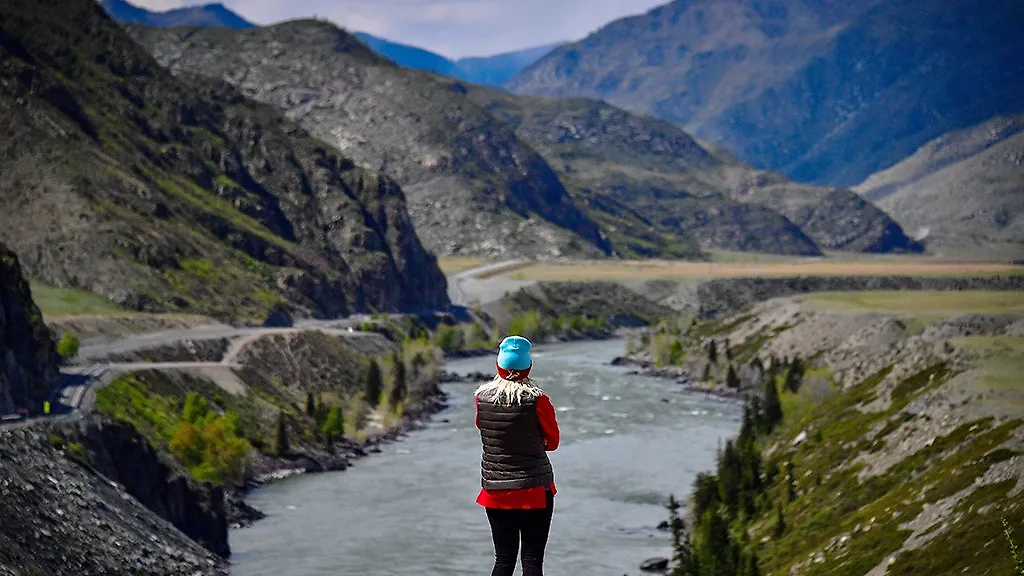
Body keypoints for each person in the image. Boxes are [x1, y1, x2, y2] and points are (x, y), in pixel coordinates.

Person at [475, 335, 560, 576]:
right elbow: (552, 442)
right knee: (532, 562)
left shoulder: (481, 398)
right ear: (529, 367)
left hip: (495, 490)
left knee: (503, 559)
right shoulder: (539, 400)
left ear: (498, 365)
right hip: (533, 489)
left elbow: (483, 429)